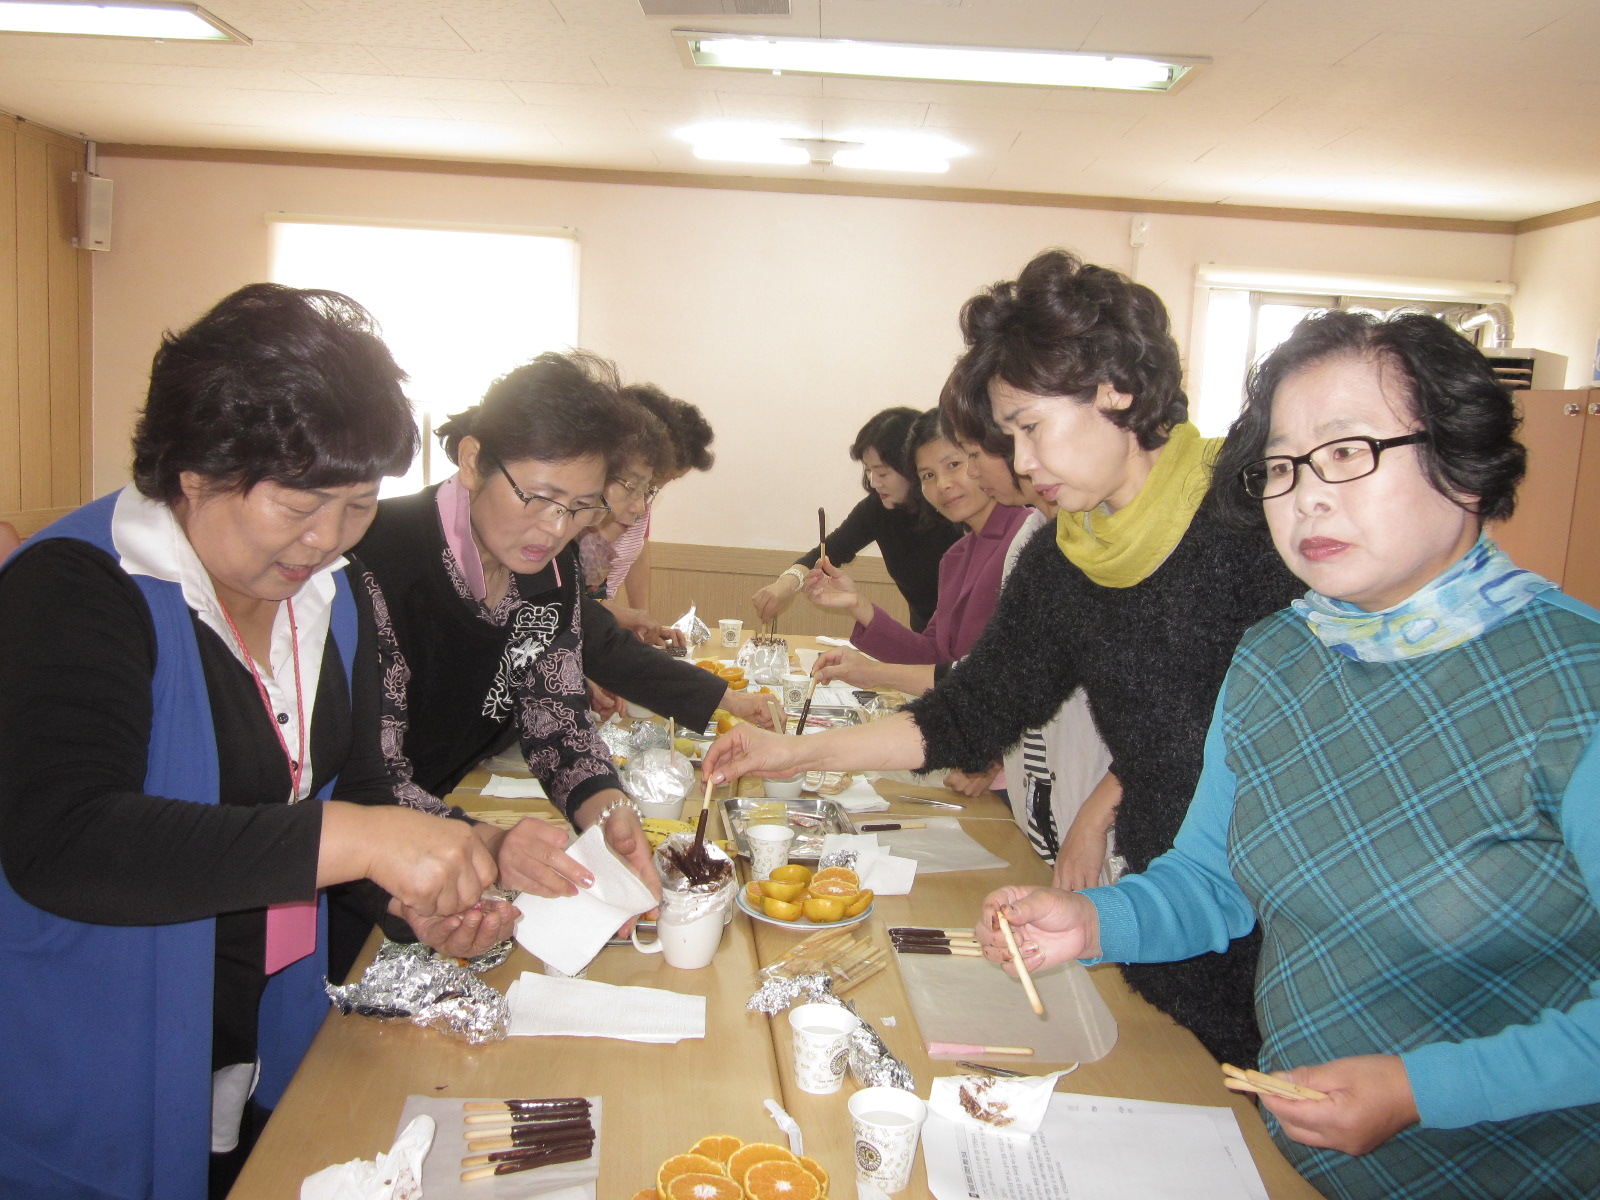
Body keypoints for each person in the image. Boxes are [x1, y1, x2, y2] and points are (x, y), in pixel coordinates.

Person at [976, 310, 1600, 1199]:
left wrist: (1425, 1089)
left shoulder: (1575, 681)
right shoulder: (1279, 654)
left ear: (1463, 458)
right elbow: (1212, 882)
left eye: (1347, 452)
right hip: (1292, 1161)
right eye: (1280, 465)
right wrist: (1094, 924)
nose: (1305, 495)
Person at [705, 249, 1303, 1070]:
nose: (1018, 465)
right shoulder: (1069, 555)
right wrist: (793, 753)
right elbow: (966, 710)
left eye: (1029, 428)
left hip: (1288, 936)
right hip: (1162, 910)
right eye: (1008, 437)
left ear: (1115, 389)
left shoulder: (1255, 529)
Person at [0, 284, 506, 1200]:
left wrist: (409, 900)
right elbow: (63, 840)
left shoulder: (329, 598)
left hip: (247, 1025)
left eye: (358, 505)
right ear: (193, 470)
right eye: (298, 504)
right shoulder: (77, 589)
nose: (328, 538)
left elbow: (336, 796)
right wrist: (360, 839)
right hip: (91, 1045)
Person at [800, 408, 1032, 682]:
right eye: (928, 476)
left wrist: (875, 672)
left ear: (982, 458)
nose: (943, 484)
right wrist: (857, 604)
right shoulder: (956, 558)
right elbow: (931, 656)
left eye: (953, 465)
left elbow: (995, 679)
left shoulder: (1029, 536)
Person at [752, 407, 961, 633]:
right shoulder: (877, 509)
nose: (873, 482)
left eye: (882, 473)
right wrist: (786, 585)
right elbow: (827, 553)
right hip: (927, 640)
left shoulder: (956, 513)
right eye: (868, 470)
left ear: (912, 467)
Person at [594, 382, 715, 633]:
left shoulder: (637, 502)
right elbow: (581, 603)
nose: (641, 504)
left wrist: (642, 620)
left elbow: (636, 554)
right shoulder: (589, 516)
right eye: (666, 476)